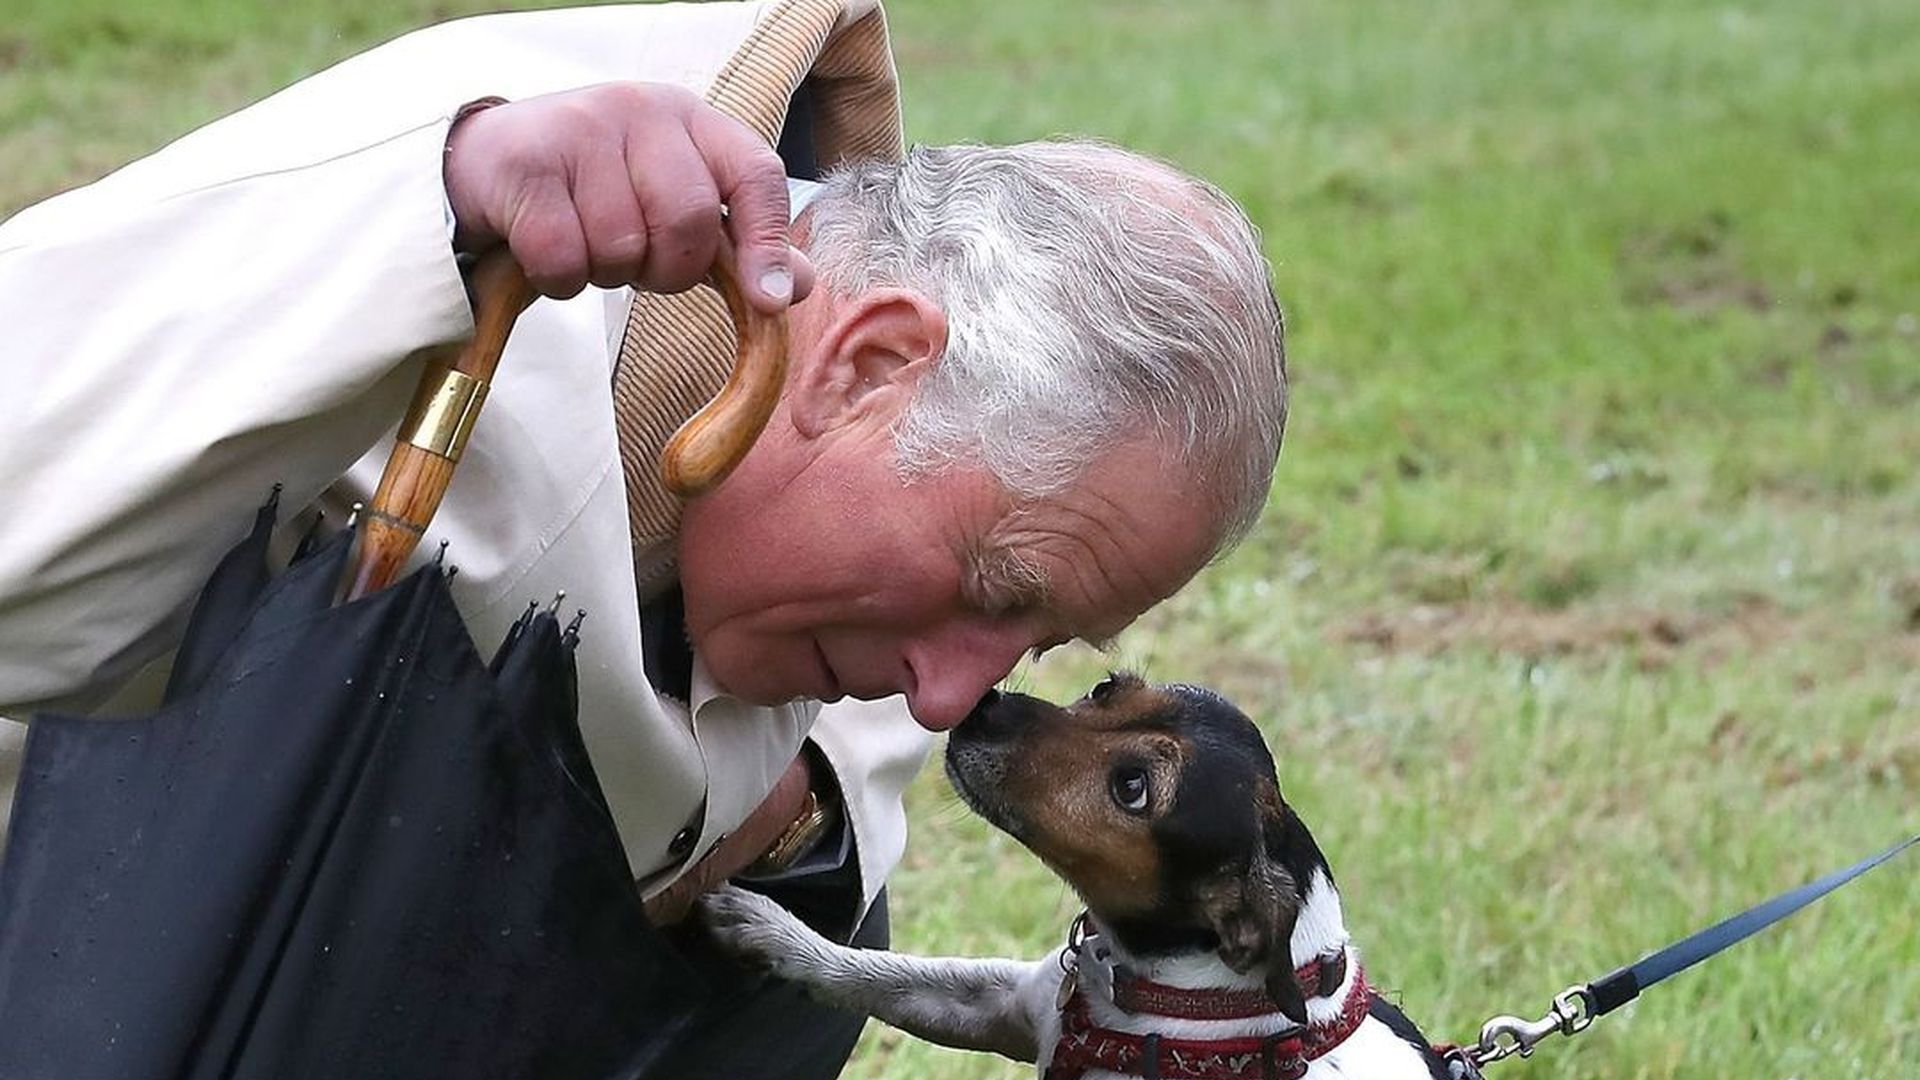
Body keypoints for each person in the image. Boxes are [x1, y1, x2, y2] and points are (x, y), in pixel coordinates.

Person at [0, 0, 1286, 1074]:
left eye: (1037, 639)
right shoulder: (478, 201)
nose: (955, 699)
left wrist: (793, 800)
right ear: (867, 364)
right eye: (992, 587)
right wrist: (419, 225)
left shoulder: (856, 458)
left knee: (809, 926)